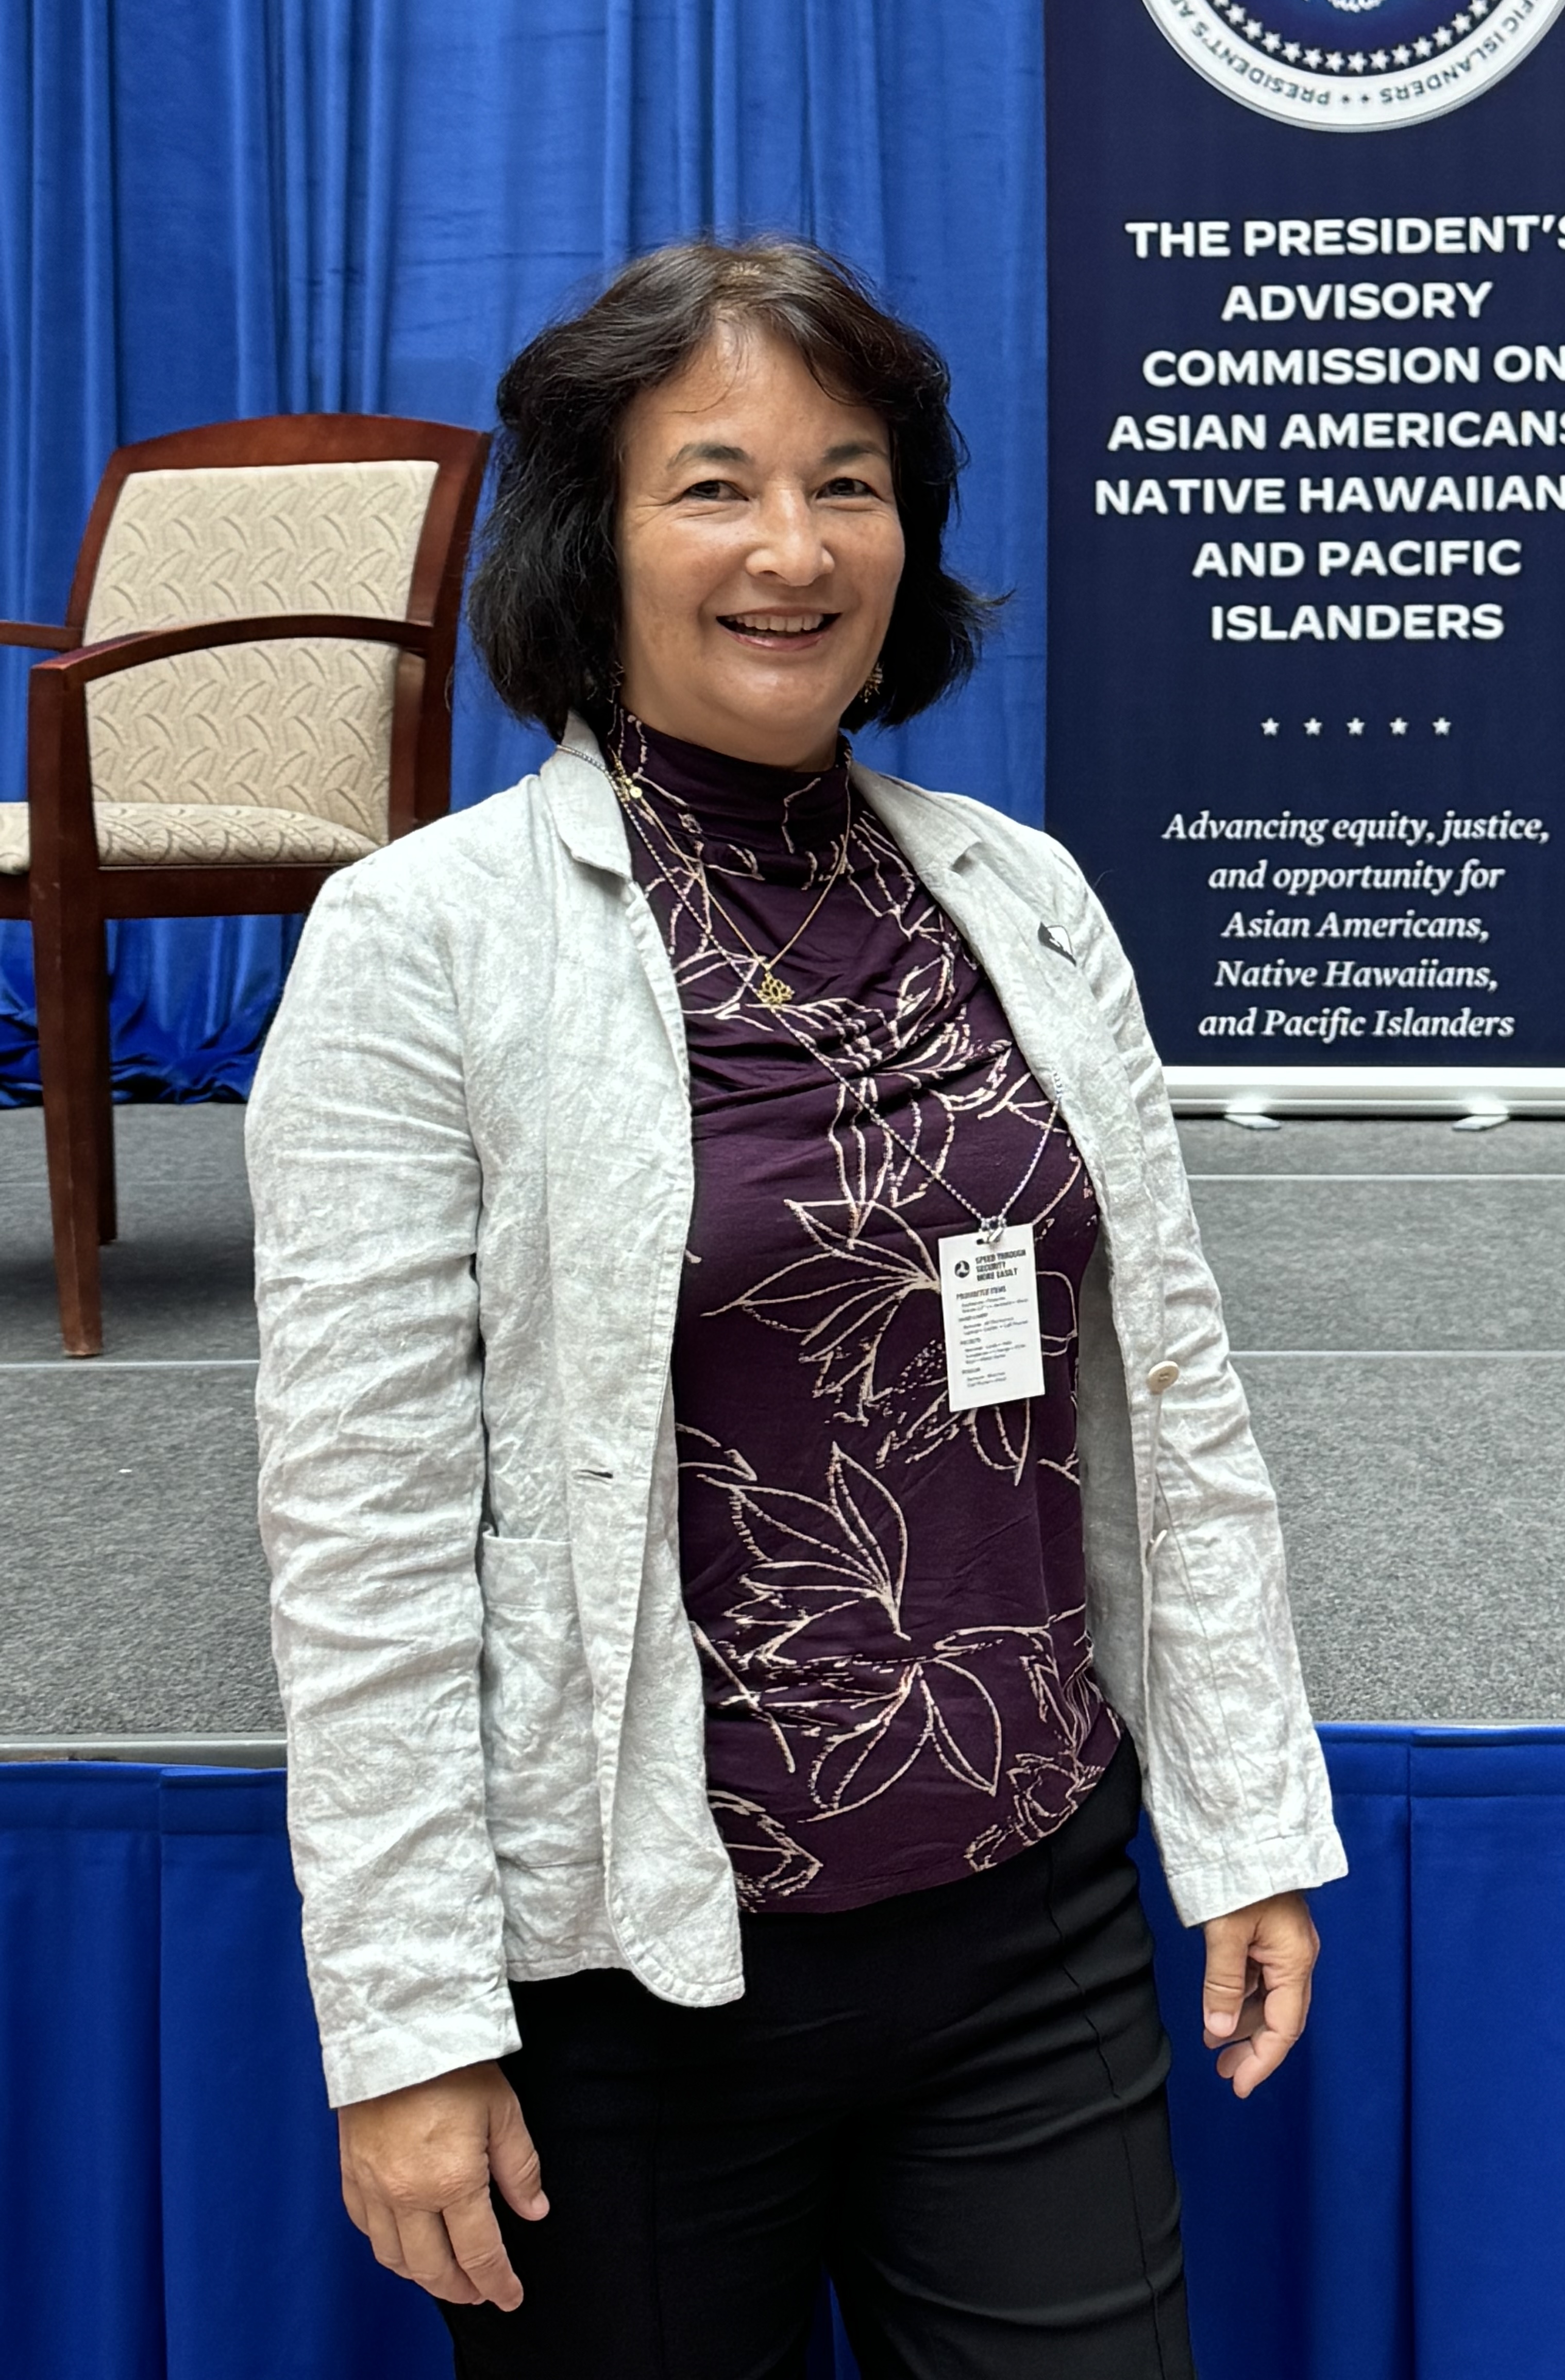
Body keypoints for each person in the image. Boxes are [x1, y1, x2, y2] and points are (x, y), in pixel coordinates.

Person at [250, 235, 1345, 2379]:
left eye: (849, 482)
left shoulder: (1021, 894)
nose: (794, 546)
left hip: (1029, 1920)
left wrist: (1244, 1830)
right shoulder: (425, 946)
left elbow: (1173, 1401)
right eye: (716, 484)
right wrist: (405, 2032)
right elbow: (363, 1539)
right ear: (595, 534)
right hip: (640, 1984)